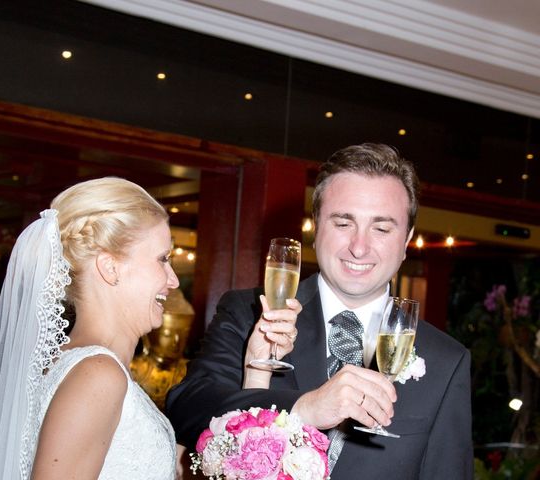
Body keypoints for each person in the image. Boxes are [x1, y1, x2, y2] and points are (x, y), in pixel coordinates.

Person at [166, 144, 473, 479]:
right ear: (316, 227)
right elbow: (187, 408)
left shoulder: (446, 360)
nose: (359, 246)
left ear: (407, 240)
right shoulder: (253, 313)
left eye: (382, 228)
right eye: (343, 223)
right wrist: (305, 408)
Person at [0, 177, 181, 479]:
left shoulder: (77, 363)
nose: (173, 279)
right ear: (110, 267)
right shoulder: (98, 375)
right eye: (162, 259)